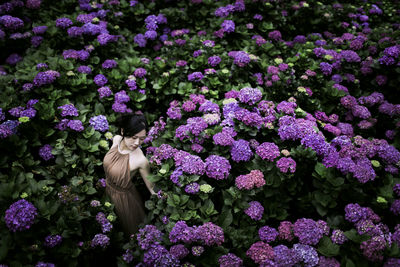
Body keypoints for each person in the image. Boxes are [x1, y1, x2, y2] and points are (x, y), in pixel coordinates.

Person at [102, 112, 156, 234]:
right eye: (133, 137)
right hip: (107, 190)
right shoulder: (116, 140)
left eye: (142, 139)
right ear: (123, 132)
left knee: (129, 230)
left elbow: (152, 188)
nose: (137, 143)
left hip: (124, 200)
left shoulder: (140, 160)